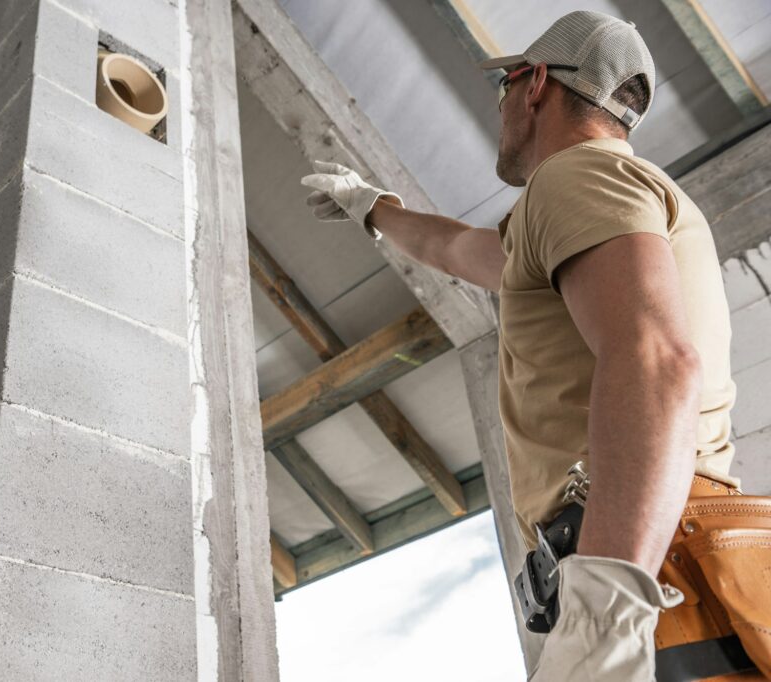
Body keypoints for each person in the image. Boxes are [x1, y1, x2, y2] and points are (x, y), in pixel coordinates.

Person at [300, 10, 748, 681]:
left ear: (534, 82)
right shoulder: (585, 206)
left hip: (644, 570)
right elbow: (456, 249)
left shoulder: (577, 178)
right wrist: (373, 205)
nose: (500, 108)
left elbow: (657, 363)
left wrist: (606, 618)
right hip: (657, 559)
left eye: (503, 87)